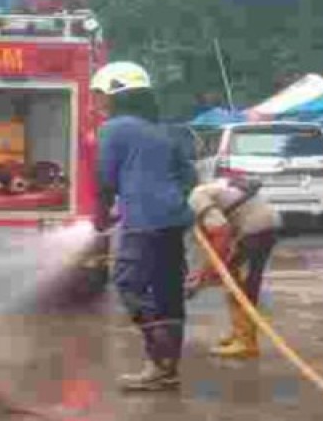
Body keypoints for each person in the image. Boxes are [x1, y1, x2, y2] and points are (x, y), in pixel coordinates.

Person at [91, 61, 196, 391]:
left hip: (144, 220)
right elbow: (190, 178)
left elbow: (105, 179)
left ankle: (158, 362)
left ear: (115, 95)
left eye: (100, 95)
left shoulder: (115, 128)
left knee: (129, 284)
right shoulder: (167, 130)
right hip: (174, 220)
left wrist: (101, 216)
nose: (98, 103)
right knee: (169, 292)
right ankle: (170, 370)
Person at [185, 176, 279, 359]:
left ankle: (246, 343)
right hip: (257, 226)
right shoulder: (207, 191)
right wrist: (203, 275)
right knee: (233, 279)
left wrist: (205, 274)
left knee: (242, 285)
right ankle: (240, 334)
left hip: (257, 228)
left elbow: (222, 233)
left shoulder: (196, 197)